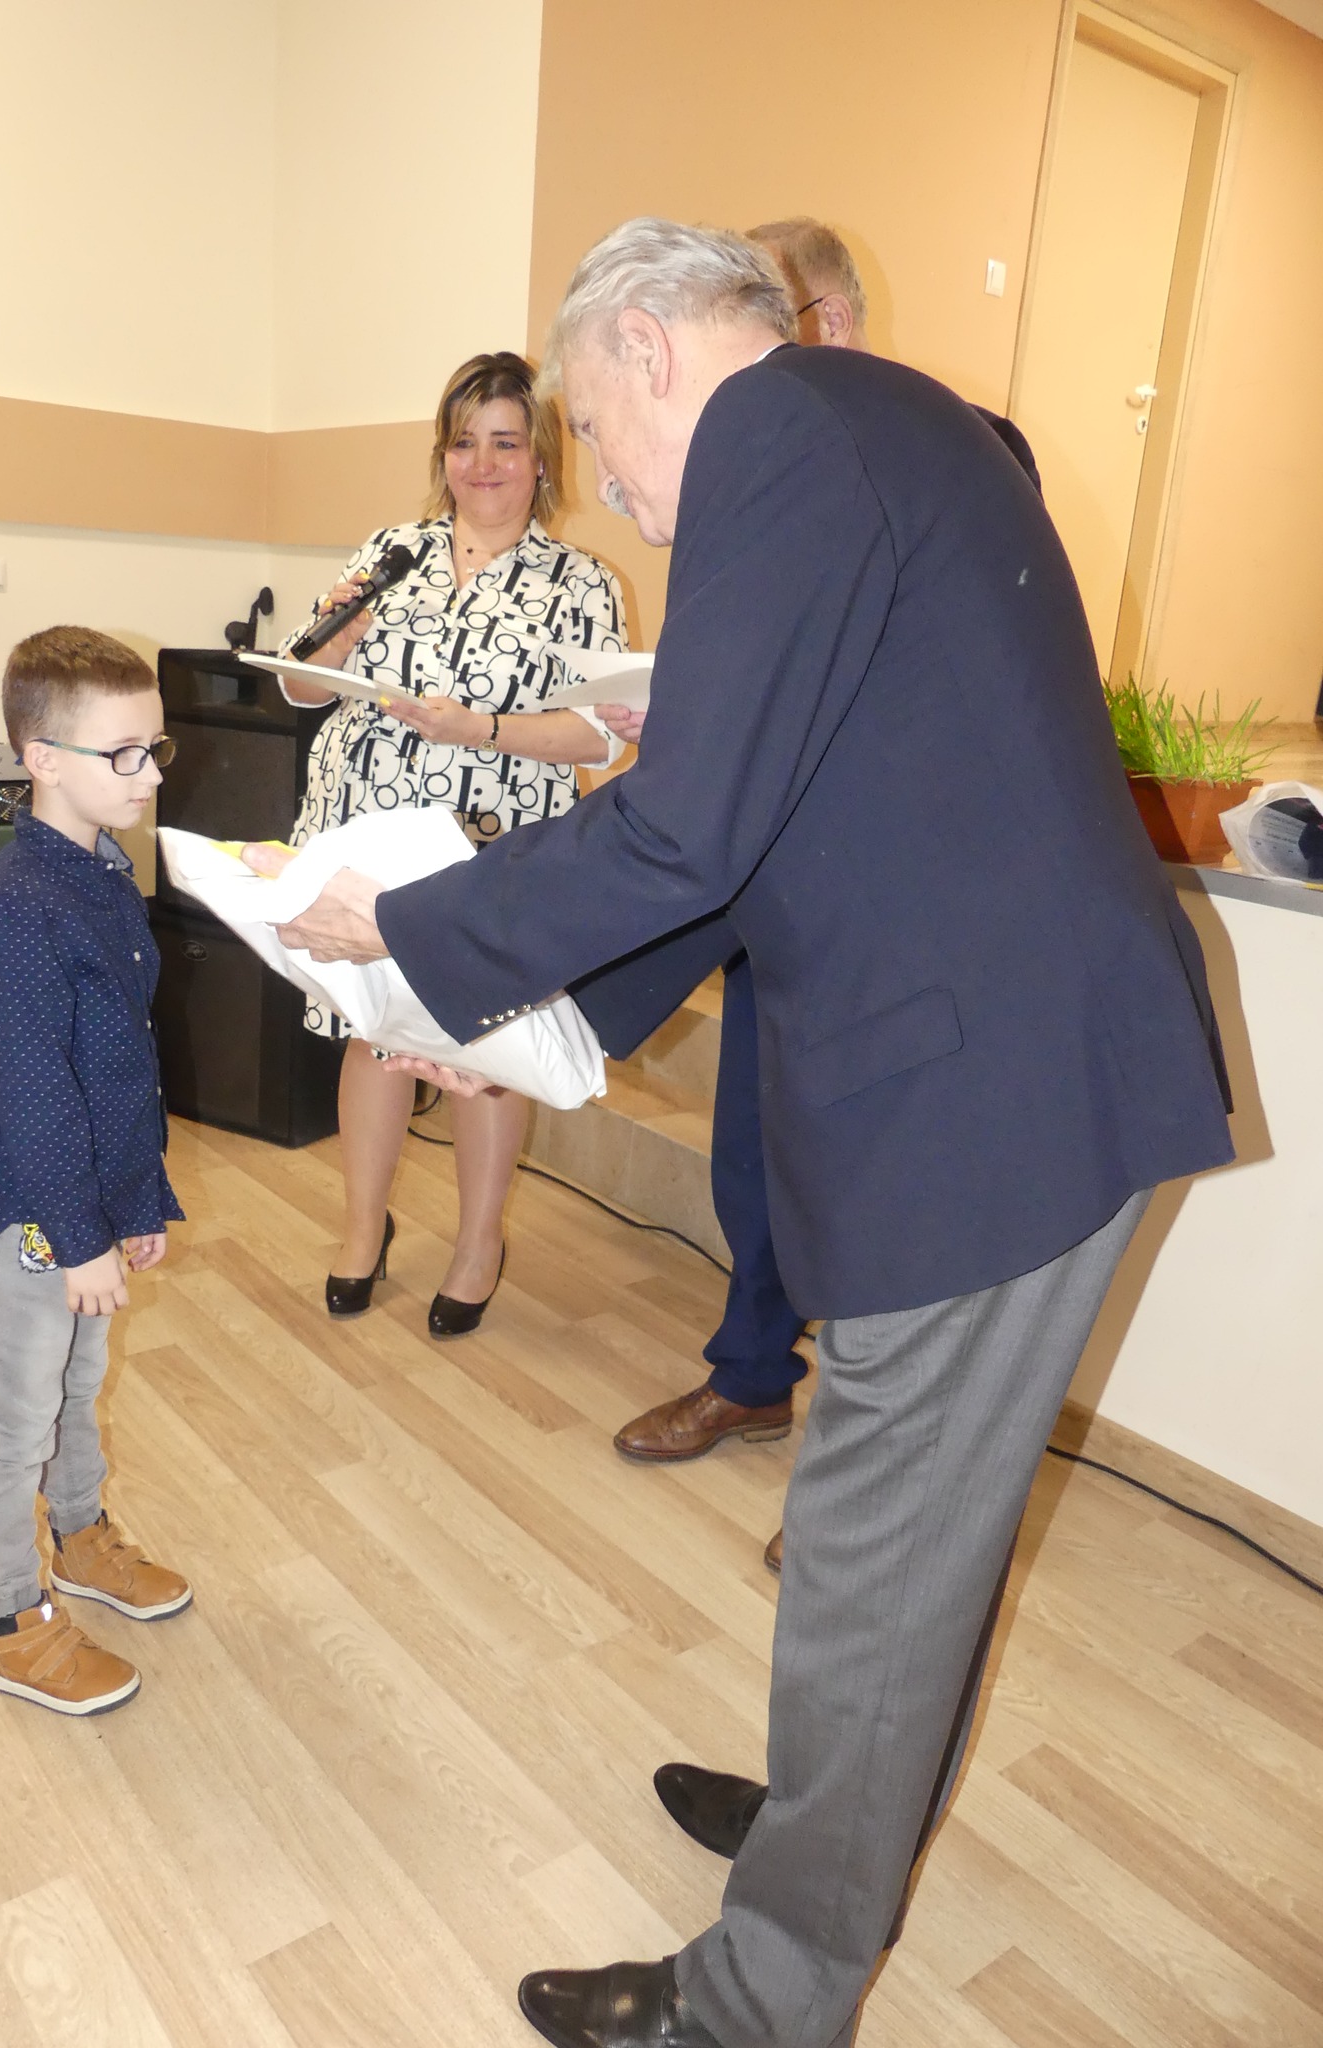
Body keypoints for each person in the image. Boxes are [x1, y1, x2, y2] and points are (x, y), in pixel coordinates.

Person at [277, 219, 1234, 2048]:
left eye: (594, 433)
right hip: (1021, 1060)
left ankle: (761, 2000)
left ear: (645, 348)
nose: (625, 500)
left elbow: (688, 825)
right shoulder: (888, 424)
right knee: (897, 1538)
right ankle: (829, 1824)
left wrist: (406, 929)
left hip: (992, 1092)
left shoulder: (781, 433)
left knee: (879, 1548)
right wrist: (534, 1027)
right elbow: (764, 828)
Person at [607, 218, 1040, 1582]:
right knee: (757, 1157)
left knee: (868, 1204)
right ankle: (752, 1376)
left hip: (900, 945)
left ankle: (854, 1482)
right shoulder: (756, 467)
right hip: (770, 902)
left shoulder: (952, 444)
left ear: (828, 323)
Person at [268, 349, 627, 1338]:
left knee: (486, 1042)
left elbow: (599, 738)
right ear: (443, 456)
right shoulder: (392, 550)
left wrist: (481, 727)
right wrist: (332, 640)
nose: (483, 464)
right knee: (375, 1034)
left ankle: (477, 1244)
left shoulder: (581, 584)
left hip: (493, 848)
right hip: (367, 831)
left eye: (505, 443)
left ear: (541, 458)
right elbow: (297, 685)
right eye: (464, 443)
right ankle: (361, 1228)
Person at [0, 625, 191, 1717]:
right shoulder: (15, 906)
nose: (148, 774)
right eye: (122, 753)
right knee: (14, 1421)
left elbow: (121, 1061)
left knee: (77, 1386)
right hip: (22, 1214)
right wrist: (79, 1236)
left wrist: (136, 1200)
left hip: (83, 1206)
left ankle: (80, 1535)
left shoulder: (101, 871)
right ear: (41, 757)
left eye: (154, 749)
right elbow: (36, 1090)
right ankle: (11, 1622)